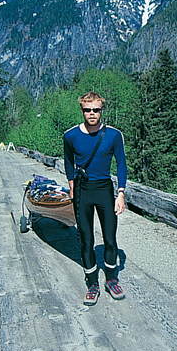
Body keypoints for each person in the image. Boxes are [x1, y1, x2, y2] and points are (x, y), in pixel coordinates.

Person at [64, 91, 127, 305]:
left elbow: (121, 165)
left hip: (104, 190)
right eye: (87, 110)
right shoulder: (70, 136)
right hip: (83, 191)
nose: (92, 114)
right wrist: (72, 187)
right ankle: (92, 284)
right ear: (81, 110)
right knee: (86, 240)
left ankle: (111, 279)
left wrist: (120, 194)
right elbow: (68, 162)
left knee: (110, 238)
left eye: (96, 110)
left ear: (102, 110)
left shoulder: (113, 135)